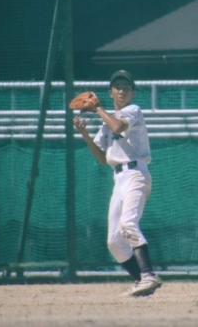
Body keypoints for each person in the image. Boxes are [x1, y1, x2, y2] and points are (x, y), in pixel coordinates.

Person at [73, 70, 162, 297]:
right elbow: (103, 158)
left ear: (133, 93)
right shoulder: (106, 123)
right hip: (118, 178)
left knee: (128, 223)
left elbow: (119, 127)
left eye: (126, 87)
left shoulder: (133, 110)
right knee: (114, 241)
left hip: (136, 173)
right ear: (110, 92)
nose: (122, 91)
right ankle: (142, 283)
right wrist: (84, 134)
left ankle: (149, 275)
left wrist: (98, 109)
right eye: (117, 87)